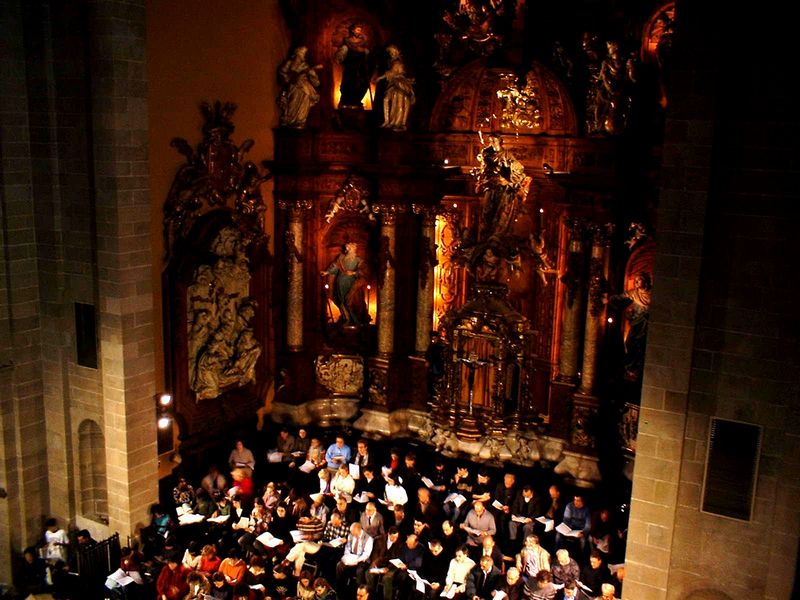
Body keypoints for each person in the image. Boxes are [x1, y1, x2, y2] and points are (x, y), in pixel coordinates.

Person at [474, 133, 527, 241]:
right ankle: (487, 236)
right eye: (490, 141)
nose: (491, 143)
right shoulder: (487, 155)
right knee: (487, 211)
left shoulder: (507, 154)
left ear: (500, 141)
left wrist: (508, 170)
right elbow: (484, 170)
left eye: (494, 141)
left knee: (501, 212)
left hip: (503, 188)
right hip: (490, 187)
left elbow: (519, 169)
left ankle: (497, 236)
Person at [609, 271, 652, 380]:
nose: (636, 282)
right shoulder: (634, 293)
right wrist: (609, 299)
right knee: (630, 343)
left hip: (647, 325)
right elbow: (620, 298)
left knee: (642, 347)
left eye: (639, 280)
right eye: (635, 280)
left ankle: (637, 369)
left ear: (645, 281)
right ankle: (631, 368)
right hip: (637, 324)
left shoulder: (652, 294)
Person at [321, 243, 368, 325]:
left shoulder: (358, 260)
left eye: (353, 249)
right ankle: (346, 318)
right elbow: (335, 266)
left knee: (351, 300)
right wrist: (327, 272)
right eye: (349, 249)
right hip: (340, 282)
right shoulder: (341, 258)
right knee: (341, 300)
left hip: (351, 282)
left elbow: (364, 270)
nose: (351, 250)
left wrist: (354, 273)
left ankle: (355, 320)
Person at [278, 46, 322, 128]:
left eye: (302, 56)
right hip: (293, 87)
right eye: (299, 55)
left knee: (304, 101)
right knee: (293, 101)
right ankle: (290, 119)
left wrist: (312, 74)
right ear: (295, 54)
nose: (300, 57)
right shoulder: (289, 63)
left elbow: (316, 83)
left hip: (305, 88)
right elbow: (283, 74)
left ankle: (300, 121)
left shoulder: (305, 66)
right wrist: (289, 78)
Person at [377, 45, 415, 130]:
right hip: (394, 83)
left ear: (396, 52)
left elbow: (392, 73)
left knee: (398, 102)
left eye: (392, 53)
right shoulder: (392, 62)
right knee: (387, 100)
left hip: (399, 83)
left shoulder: (397, 62)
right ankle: (387, 121)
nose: (391, 54)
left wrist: (380, 78)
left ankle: (396, 122)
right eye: (390, 53)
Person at [334, 23, 372, 108]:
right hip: (350, 65)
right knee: (347, 83)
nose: (359, 32)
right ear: (353, 30)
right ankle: (345, 101)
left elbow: (366, 51)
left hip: (360, 65)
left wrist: (365, 52)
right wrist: (360, 50)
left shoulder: (363, 40)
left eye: (360, 30)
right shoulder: (347, 40)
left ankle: (356, 101)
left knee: (359, 84)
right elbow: (350, 49)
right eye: (358, 30)